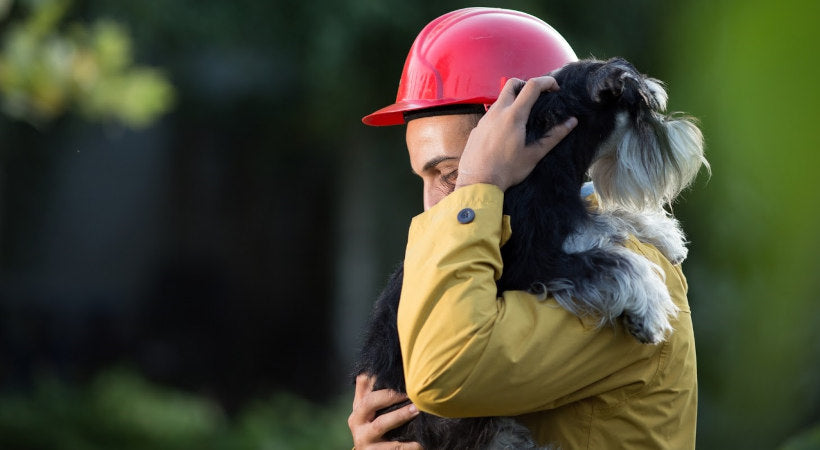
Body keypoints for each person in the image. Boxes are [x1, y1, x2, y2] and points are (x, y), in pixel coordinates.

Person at [348, 7, 697, 449]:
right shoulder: (496, 262)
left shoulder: (626, 274)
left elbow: (443, 373)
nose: (433, 205)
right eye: (424, 177)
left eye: (452, 174)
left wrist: (480, 185)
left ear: (536, 141)